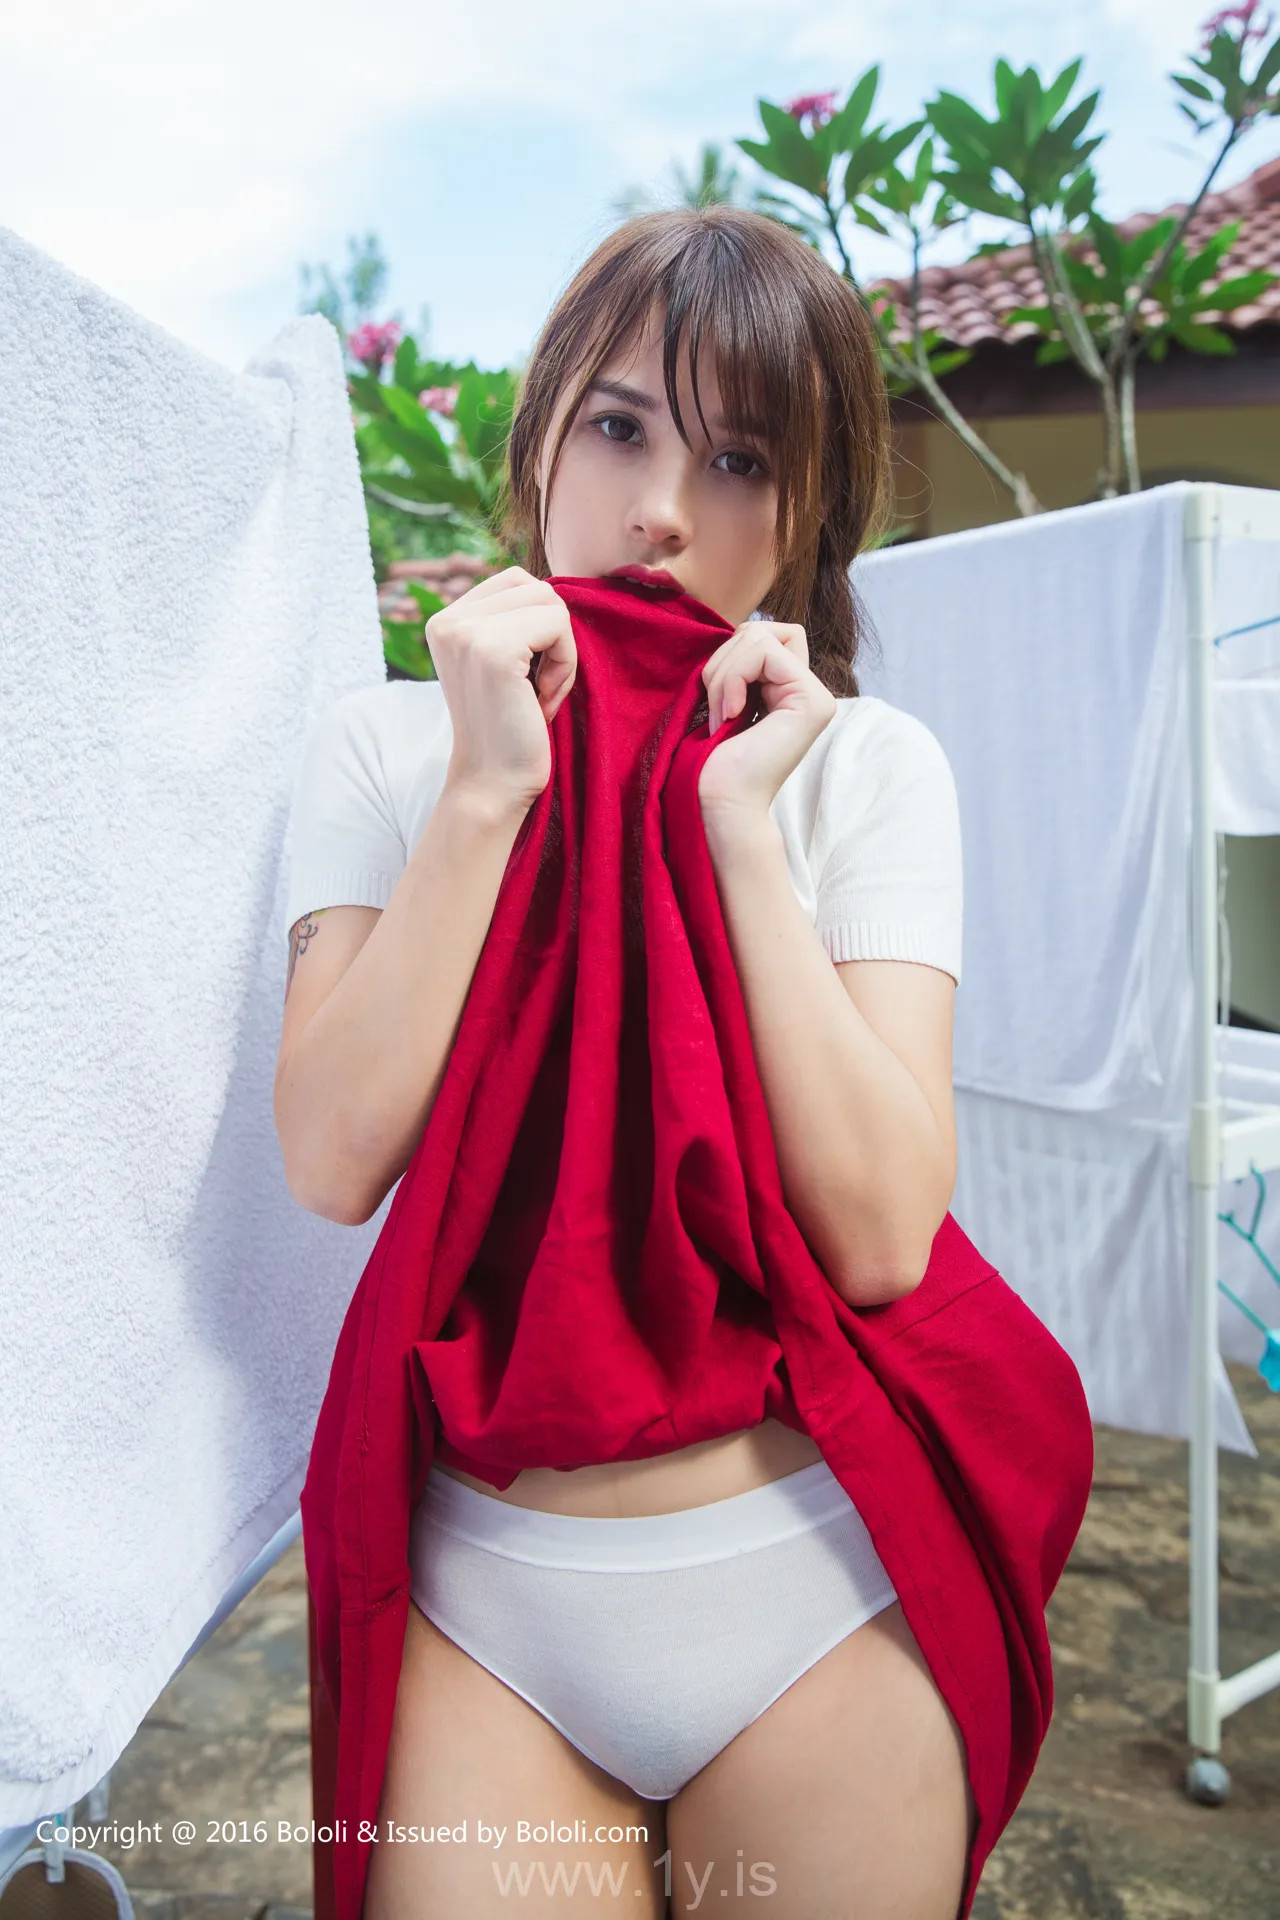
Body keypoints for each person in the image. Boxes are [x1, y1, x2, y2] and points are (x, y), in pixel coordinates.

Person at [275, 207, 973, 1916]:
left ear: (807, 515)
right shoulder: (391, 744)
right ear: (538, 440)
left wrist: (735, 828)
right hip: (487, 1590)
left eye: (741, 460)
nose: (664, 510)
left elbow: (885, 1234)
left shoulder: (865, 765)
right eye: (617, 428)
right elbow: (331, 1156)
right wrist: (485, 793)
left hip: (812, 1577)